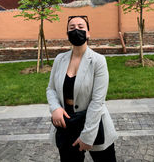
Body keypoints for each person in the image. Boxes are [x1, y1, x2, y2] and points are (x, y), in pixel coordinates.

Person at [46, 15, 118, 162]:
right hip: (66, 123)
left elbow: (98, 101)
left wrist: (87, 136)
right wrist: (55, 108)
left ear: (88, 33)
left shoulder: (98, 61)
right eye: (72, 28)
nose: (76, 30)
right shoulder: (59, 59)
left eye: (81, 27)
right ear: (67, 34)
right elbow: (51, 89)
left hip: (94, 124)